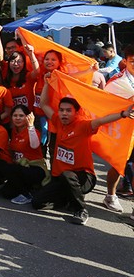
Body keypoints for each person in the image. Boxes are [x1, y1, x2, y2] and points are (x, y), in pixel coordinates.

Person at [32, 76, 134, 225]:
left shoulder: (83, 126)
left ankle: (81, 209)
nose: (64, 113)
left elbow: (101, 120)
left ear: (76, 112)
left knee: (68, 175)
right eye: (61, 110)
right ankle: (68, 198)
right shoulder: (57, 121)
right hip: (61, 178)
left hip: (84, 178)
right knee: (37, 203)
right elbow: (43, 103)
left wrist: (122, 114)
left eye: (68, 110)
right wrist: (47, 83)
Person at [99, 43, 134, 215]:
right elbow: (105, 105)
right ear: (125, 62)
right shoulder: (117, 81)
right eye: (133, 61)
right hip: (122, 129)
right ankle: (110, 195)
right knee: (119, 165)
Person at [0, 105, 49, 205]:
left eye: (21, 116)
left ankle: (27, 194)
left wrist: (30, 126)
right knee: (6, 193)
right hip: (20, 168)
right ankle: (30, 189)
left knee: (9, 168)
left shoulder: (33, 131)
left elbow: (34, 145)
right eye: (15, 115)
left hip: (34, 169)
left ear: (28, 117)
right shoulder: (14, 131)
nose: (17, 118)